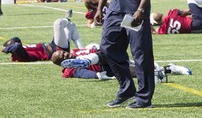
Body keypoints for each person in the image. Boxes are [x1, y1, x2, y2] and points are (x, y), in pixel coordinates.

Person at [52, 47, 192, 80]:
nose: (66, 54)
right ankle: (168, 69)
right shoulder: (68, 71)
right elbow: (80, 72)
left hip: (105, 54)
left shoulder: (76, 50)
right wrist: (97, 75)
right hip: (104, 67)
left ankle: (157, 70)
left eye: (64, 52)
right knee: (136, 72)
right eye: (62, 57)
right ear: (62, 64)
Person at [1, 10, 84, 62]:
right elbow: (16, 46)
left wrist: (8, 44)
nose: (14, 42)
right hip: (57, 51)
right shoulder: (19, 55)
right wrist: (5, 49)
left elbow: (16, 39)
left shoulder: (18, 49)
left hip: (52, 44)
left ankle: (83, 51)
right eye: (12, 43)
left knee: (71, 26)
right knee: (58, 23)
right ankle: (67, 19)